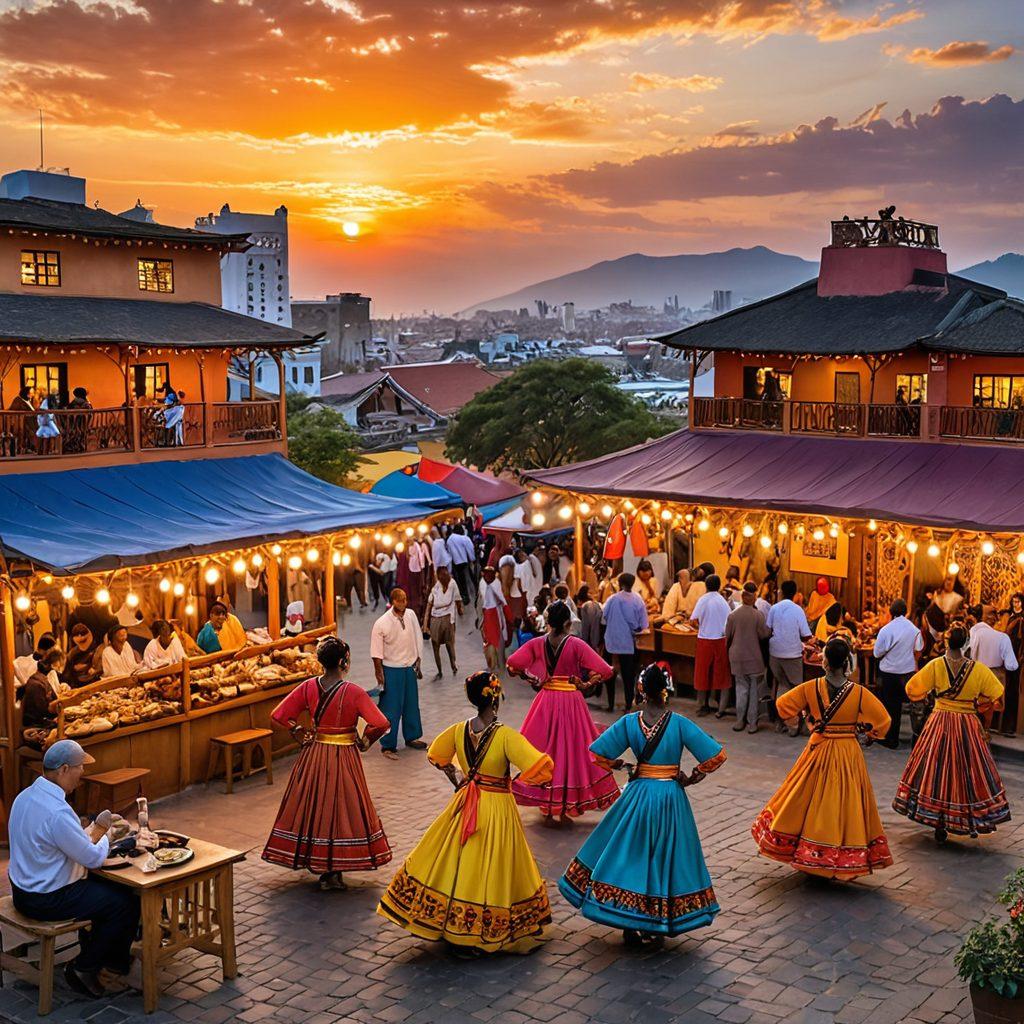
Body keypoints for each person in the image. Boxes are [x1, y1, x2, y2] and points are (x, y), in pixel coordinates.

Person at [377, 672, 553, 956]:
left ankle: (448, 923)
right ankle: (478, 933)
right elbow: (541, 766)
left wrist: (457, 779)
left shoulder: (458, 730)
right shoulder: (506, 736)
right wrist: (517, 780)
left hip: (464, 802)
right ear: (495, 698)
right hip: (496, 807)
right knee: (489, 865)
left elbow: (437, 755)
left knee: (456, 861)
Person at [559, 664, 726, 945]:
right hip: (670, 798)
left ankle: (629, 917)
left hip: (637, 796)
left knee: (632, 854)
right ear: (666, 689)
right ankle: (657, 921)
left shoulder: (629, 722)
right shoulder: (679, 723)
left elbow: (597, 753)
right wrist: (690, 779)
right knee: (665, 858)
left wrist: (625, 765)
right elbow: (715, 756)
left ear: (641, 691)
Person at [752, 635, 893, 880]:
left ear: (825, 662)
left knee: (806, 798)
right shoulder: (858, 693)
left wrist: (806, 717)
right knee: (845, 804)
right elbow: (883, 721)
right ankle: (840, 855)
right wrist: (867, 732)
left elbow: (783, 705)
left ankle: (811, 851)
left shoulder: (811, 687)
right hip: (848, 752)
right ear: (846, 662)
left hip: (818, 749)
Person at [8, 740, 140, 997]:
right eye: (80, 767)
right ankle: (85, 968)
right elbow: (93, 859)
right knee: (124, 903)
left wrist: (91, 833)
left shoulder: (25, 797)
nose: (83, 773)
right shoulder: (57, 811)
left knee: (109, 890)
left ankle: (110, 960)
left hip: (21, 890)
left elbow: (62, 842)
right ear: (64, 769)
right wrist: (105, 834)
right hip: (46, 898)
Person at [263, 636, 392, 890]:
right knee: (341, 810)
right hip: (343, 757)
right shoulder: (353, 692)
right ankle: (333, 871)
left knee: (312, 807)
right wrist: (365, 742)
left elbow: (279, 714)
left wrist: (297, 730)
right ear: (344, 661)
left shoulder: (308, 686)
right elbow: (381, 723)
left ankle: (317, 862)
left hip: (313, 755)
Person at [893, 624, 1010, 843]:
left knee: (935, 769)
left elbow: (911, 689)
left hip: (938, 721)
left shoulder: (935, 665)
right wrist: (977, 704)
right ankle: (967, 818)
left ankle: (937, 819)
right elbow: (999, 700)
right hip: (968, 726)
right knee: (967, 772)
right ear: (968, 643)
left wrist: (931, 696)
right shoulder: (979, 670)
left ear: (946, 642)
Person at [506, 602, 619, 824]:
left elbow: (512, 663)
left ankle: (548, 806)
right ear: (568, 623)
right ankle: (566, 806)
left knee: (546, 750)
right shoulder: (576, 644)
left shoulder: (538, 643)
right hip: (571, 701)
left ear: (548, 622)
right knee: (571, 752)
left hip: (546, 700)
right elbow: (606, 670)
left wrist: (530, 678)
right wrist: (585, 684)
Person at [371, 588, 425, 761]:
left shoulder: (410, 615)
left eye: (405, 599)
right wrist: (380, 675)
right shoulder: (381, 623)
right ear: (392, 601)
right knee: (391, 709)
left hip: (409, 667)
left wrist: (419, 660)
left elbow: (417, 636)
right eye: (400, 600)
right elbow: (376, 653)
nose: (403, 602)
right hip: (391, 669)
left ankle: (412, 736)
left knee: (411, 704)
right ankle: (388, 744)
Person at [873, 599, 923, 749]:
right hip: (906, 672)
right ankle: (908, 736)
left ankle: (890, 738)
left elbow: (877, 653)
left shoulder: (886, 630)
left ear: (891, 613)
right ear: (905, 612)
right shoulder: (914, 630)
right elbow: (919, 648)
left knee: (890, 706)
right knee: (902, 705)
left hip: (889, 671)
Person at [766, 580, 812, 737]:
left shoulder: (774, 608)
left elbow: (768, 629)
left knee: (782, 686)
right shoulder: (798, 610)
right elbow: (806, 635)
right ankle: (796, 725)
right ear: (795, 593)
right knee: (797, 690)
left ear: (781, 592)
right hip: (792, 655)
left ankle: (782, 722)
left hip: (775, 653)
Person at [601, 573, 649, 712]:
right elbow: (643, 623)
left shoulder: (612, 599)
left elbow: (604, 617)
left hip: (611, 643)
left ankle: (610, 705)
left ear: (620, 583)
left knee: (609, 674)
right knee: (629, 676)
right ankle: (628, 706)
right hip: (628, 644)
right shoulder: (638, 600)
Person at [726, 583, 771, 733]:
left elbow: (728, 637)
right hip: (754, 658)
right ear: (753, 598)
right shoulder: (758, 615)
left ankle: (739, 721)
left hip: (737, 658)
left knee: (741, 689)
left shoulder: (733, 615)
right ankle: (752, 723)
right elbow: (764, 635)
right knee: (754, 692)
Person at [690, 574, 732, 717]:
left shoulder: (703, 600)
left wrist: (701, 625)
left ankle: (703, 705)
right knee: (720, 673)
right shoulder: (723, 601)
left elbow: (693, 620)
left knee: (703, 674)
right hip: (721, 640)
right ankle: (719, 706)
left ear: (706, 586)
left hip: (705, 640)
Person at [20, 649, 65, 748]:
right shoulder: (36, 684)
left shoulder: (43, 679)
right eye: (59, 665)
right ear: (54, 665)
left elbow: (54, 699)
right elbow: (45, 710)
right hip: (35, 726)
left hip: (45, 720)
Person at [423, 565, 462, 678]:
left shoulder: (446, 585)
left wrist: (425, 626)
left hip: (442, 619)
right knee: (443, 645)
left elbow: (428, 608)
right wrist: (425, 626)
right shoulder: (439, 587)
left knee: (443, 646)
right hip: (441, 619)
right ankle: (447, 668)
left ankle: (446, 668)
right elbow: (429, 607)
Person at [477, 565, 511, 673]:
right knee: (490, 641)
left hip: (496, 613)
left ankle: (499, 663)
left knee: (498, 640)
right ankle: (492, 664)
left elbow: (500, 597)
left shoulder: (496, 583)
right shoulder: (482, 583)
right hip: (488, 615)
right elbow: (482, 601)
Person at [1003, 593, 1024, 737]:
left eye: (1018, 601)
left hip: (1017, 657)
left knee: (1014, 690)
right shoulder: (1011, 617)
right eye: (1014, 601)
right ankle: (1004, 725)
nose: (1015, 604)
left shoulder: (1022, 618)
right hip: (1008, 654)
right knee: (1007, 689)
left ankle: (1011, 726)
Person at [63, 623, 102, 689]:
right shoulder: (72, 654)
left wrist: (94, 670)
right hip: (79, 685)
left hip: (96, 682)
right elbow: (67, 674)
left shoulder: (97, 648)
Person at [447, 524, 477, 606]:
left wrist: (450, 569)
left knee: (461, 582)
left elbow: (449, 554)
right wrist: (472, 559)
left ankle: (465, 598)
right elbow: (470, 549)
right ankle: (475, 595)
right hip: (465, 562)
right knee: (470, 579)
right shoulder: (464, 538)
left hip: (456, 563)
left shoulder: (449, 539)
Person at [64, 386, 92, 454]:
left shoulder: (73, 404)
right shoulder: (87, 404)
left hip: (74, 426)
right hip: (84, 425)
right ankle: (79, 446)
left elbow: (67, 412)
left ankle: (72, 446)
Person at [576, 585, 603, 652]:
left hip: (586, 635)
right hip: (590, 635)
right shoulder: (589, 604)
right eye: (589, 592)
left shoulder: (589, 604)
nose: (591, 594)